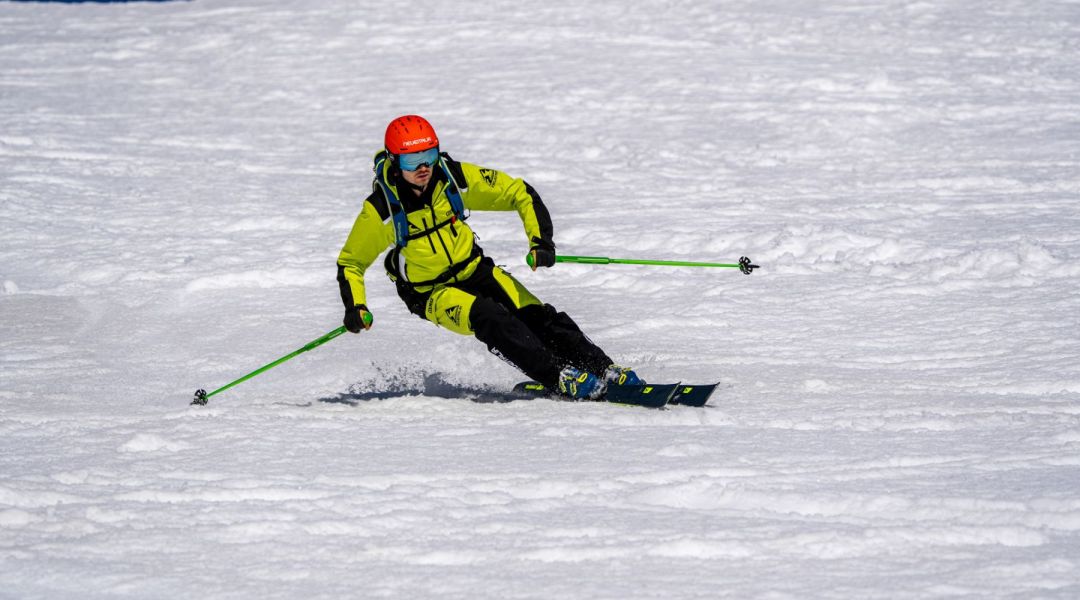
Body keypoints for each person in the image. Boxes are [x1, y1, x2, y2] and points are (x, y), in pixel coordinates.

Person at [336, 115, 642, 400]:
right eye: (412, 160)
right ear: (394, 161)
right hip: (431, 292)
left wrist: (541, 242)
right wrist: (356, 307)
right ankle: (558, 376)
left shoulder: (454, 179)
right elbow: (351, 263)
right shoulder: (381, 211)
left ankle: (604, 369)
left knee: (536, 315)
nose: (423, 167)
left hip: (475, 269)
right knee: (490, 318)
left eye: (429, 156)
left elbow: (518, 193)